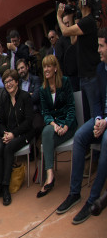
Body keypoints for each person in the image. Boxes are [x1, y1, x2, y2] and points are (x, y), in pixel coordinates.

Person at [55, 28, 107, 224]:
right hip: (102, 119)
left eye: (101, 46)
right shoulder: (101, 70)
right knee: (79, 137)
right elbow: (97, 101)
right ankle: (74, 193)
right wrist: (99, 118)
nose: (98, 50)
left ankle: (93, 200)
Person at [0, 70, 33, 206]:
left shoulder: (25, 97)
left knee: (9, 148)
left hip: (23, 134)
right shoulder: (5, 100)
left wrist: (13, 134)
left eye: (11, 81)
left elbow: (29, 122)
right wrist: (5, 133)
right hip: (8, 134)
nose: (8, 84)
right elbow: (1, 122)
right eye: (6, 82)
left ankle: (6, 187)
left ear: (17, 82)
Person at [36, 55, 77, 198]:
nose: (46, 69)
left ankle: (49, 178)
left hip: (68, 124)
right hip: (54, 126)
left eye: (49, 66)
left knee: (47, 142)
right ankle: (50, 174)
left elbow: (71, 107)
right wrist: (54, 125)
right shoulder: (43, 89)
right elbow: (45, 113)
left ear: (55, 68)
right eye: (44, 67)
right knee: (46, 132)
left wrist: (65, 126)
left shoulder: (65, 82)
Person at [57, 1, 101, 119]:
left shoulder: (88, 21)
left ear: (86, 2)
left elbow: (65, 32)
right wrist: (71, 18)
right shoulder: (83, 21)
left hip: (91, 74)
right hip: (84, 75)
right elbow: (73, 41)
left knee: (94, 114)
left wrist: (58, 17)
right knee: (86, 114)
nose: (78, 2)